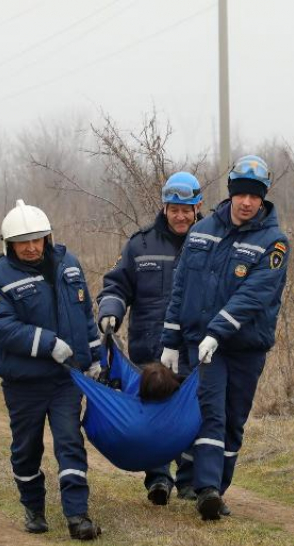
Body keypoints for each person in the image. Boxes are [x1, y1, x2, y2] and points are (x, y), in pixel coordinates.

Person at [160, 155, 289, 521]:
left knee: (233, 420)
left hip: (246, 347)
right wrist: (171, 339)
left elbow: (255, 294)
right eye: (241, 194)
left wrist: (218, 331)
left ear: (263, 198)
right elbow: (181, 287)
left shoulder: (275, 243)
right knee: (210, 414)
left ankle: (218, 487)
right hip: (204, 347)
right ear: (231, 192)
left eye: (255, 196)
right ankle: (206, 490)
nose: (247, 202)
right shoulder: (201, 232)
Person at [0, 199, 103, 540]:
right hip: (24, 384)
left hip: (65, 379)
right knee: (26, 448)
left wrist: (95, 358)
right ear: (9, 244)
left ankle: (78, 516)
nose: (32, 247)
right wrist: (48, 343)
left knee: (70, 442)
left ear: (48, 237)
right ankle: (33, 507)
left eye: (37, 239)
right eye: (23, 242)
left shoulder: (70, 265)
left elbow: (85, 316)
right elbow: (0, 328)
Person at [96, 171, 203, 505]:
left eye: (186, 210)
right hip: (150, 349)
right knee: (153, 416)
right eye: (174, 209)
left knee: (192, 416)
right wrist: (110, 311)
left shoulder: (210, 243)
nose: (180, 216)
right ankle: (158, 479)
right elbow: (115, 286)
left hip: (195, 349)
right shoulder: (139, 245)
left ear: (198, 208)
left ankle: (189, 481)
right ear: (164, 207)